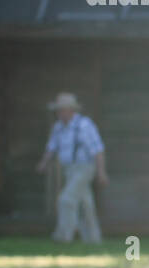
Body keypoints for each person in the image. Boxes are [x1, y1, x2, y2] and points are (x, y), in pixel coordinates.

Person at [35, 92, 107, 244]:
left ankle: (63, 236)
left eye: (62, 110)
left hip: (85, 168)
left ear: (71, 110)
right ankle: (93, 238)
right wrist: (44, 163)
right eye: (58, 110)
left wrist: (101, 173)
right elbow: (52, 147)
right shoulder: (58, 127)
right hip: (69, 169)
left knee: (66, 199)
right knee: (86, 203)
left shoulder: (84, 125)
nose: (59, 113)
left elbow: (98, 150)